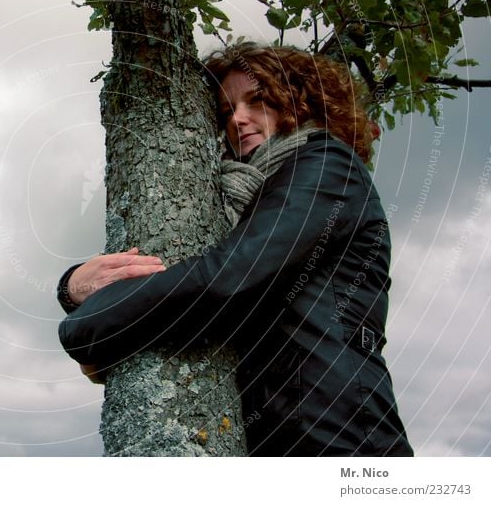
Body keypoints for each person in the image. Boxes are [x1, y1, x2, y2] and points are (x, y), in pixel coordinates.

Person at [56, 42, 413, 457]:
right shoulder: (248, 196)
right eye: (226, 112)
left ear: (302, 102)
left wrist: (83, 329)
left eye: (257, 100)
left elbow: (227, 279)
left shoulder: (327, 167)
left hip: (340, 434)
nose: (239, 120)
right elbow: (177, 275)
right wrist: (71, 289)